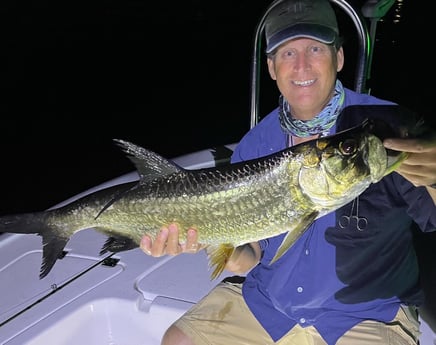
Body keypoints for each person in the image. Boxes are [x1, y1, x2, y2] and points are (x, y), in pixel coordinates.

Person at [141, 0, 436, 344]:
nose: (302, 66)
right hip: (270, 305)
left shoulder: (391, 128)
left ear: (338, 58)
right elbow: (249, 257)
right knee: (177, 340)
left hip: (366, 314)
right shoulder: (255, 143)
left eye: (314, 48)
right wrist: (207, 238)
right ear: (271, 67)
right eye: (287, 54)